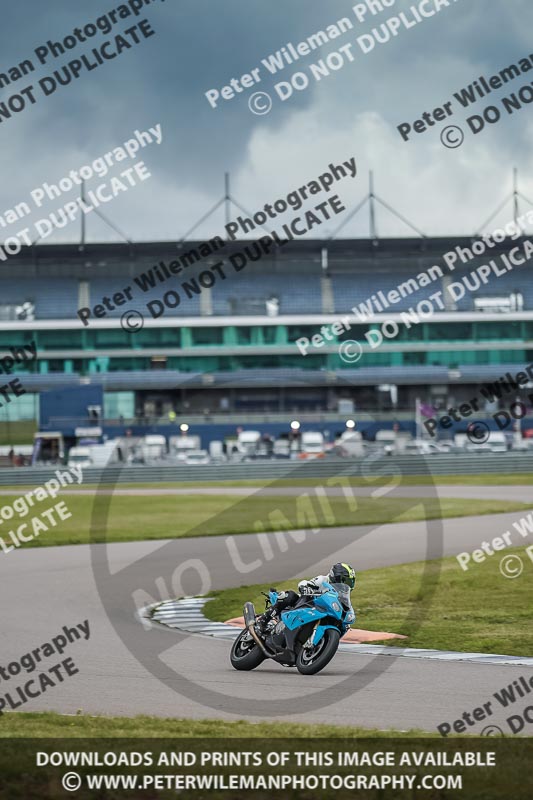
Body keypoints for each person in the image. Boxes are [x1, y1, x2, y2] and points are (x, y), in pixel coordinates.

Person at [256, 562, 356, 634]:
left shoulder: (342, 596)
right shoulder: (323, 579)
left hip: (320, 613)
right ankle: (263, 620)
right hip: (305, 604)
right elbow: (304, 583)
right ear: (336, 577)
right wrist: (305, 588)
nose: (346, 585)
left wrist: (347, 619)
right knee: (290, 596)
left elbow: (347, 608)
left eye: (349, 582)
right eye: (345, 581)